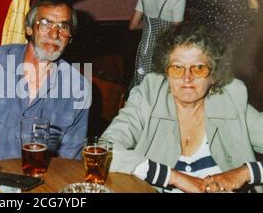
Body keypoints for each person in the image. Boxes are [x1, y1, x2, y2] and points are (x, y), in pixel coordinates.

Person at [101, 24, 263, 193]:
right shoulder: (149, 96)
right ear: (166, 72)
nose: (187, 78)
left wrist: (246, 172)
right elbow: (104, 150)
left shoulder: (230, 101)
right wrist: (176, 178)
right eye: (177, 68)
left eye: (199, 68)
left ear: (214, 75)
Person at [0, 0, 91, 160]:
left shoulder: (77, 87)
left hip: (40, 180)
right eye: (45, 24)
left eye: (63, 27)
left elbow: (69, 159)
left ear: (69, 37)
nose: (54, 34)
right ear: (29, 29)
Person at [129, 0, 187, 88]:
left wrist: (150, 25)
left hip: (144, 51)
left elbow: (133, 25)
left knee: (141, 89)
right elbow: (176, 34)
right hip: (164, 54)